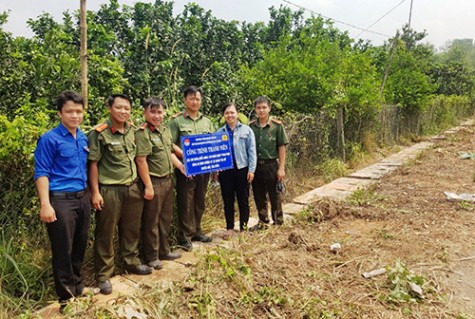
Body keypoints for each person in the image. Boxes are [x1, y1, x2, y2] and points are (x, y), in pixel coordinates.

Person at [34, 91, 99, 309]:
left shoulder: (82, 137)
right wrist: (45, 204)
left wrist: (91, 194)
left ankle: (78, 285)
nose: (74, 116)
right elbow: (41, 172)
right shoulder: (49, 139)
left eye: (79, 111)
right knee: (63, 249)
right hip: (60, 200)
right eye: (69, 111)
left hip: (82, 198)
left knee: (80, 244)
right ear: (60, 113)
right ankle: (66, 297)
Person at [88, 94, 152, 295]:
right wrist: (95, 192)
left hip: (132, 187)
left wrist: (145, 185)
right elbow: (93, 164)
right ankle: (104, 275)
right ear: (109, 108)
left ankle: (130, 262)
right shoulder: (99, 133)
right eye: (119, 108)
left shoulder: (134, 131)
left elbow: (139, 160)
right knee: (106, 233)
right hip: (110, 190)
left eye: (127, 108)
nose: (123, 112)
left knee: (132, 228)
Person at [135, 97, 185, 269]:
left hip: (167, 180)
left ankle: (165, 250)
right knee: (151, 221)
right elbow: (141, 161)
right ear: (145, 113)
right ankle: (152, 256)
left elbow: (171, 149)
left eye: (159, 112)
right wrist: (148, 186)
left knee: (165, 218)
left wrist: (187, 158)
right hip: (153, 181)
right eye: (153, 112)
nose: (156, 115)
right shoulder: (143, 133)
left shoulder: (164, 130)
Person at [169, 85, 214, 251]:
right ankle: (185, 235)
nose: (195, 101)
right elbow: (169, 142)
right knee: (185, 202)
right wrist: (184, 154)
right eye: (191, 98)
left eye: (197, 98)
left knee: (199, 200)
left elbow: (213, 145)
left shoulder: (207, 122)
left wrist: (216, 166)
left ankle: (197, 231)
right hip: (186, 169)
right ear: (185, 100)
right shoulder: (176, 121)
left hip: (204, 168)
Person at [216, 103, 256, 238]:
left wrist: (251, 170)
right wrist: (216, 171)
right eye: (227, 113)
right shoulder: (219, 133)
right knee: (228, 201)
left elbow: (252, 151)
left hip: (242, 170)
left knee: (243, 200)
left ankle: (244, 228)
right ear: (224, 116)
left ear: (237, 114)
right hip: (226, 172)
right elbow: (215, 154)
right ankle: (229, 228)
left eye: (232, 112)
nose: (230, 115)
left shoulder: (246, 130)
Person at [250, 96, 289, 230]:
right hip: (256, 166)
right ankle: (263, 221)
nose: (261, 110)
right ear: (255, 109)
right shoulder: (251, 127)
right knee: (259, 195)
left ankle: (278, 221)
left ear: (269, 108)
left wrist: (281, 168)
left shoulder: (276, 126)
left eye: (264, 107)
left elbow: (282, 146)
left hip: (271, 165)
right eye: (259, 108)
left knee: (275, 195)